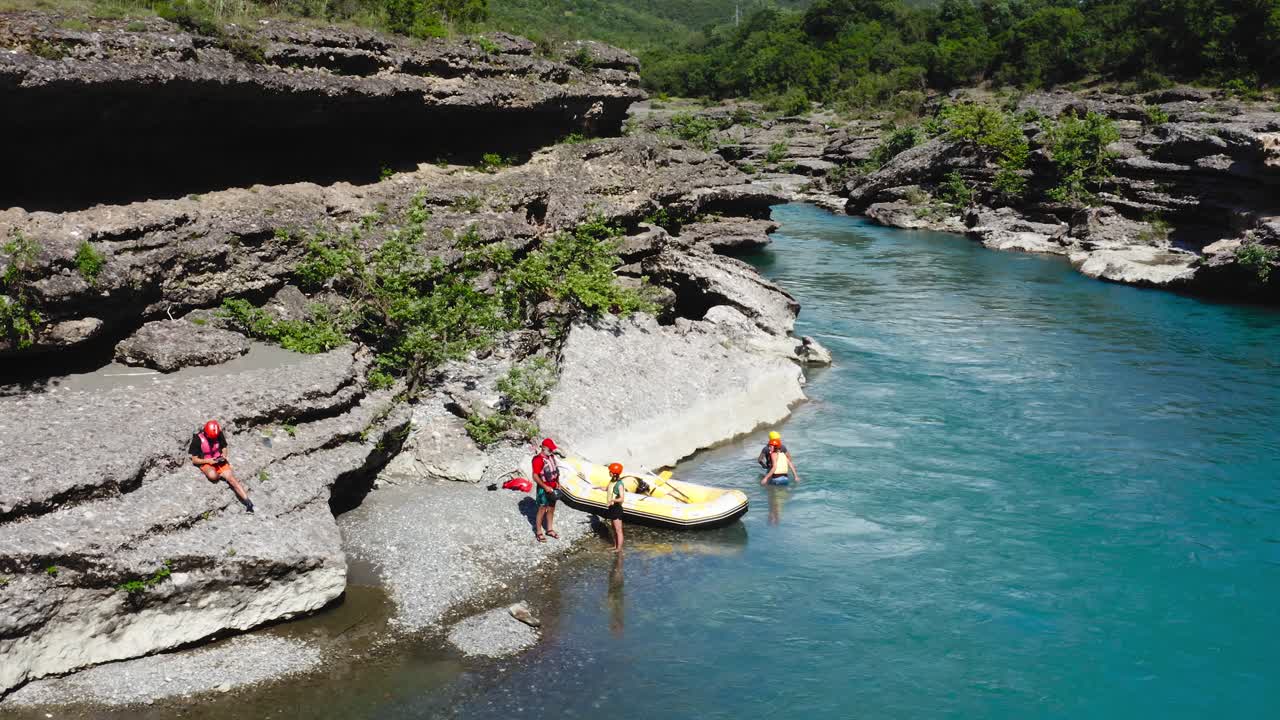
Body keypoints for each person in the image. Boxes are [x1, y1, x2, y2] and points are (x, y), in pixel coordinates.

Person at [190, 420, 254, 513]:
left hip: (219, 460)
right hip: (207, 462)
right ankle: (219, 474)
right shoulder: (197, 439)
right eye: (210, 437)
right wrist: (208, 461)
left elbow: (224, 447)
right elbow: (194, 459)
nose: (213, 439)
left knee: (232, 479)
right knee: (213, 476)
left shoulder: (218, 434)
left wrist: (224, 455)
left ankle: (248, 503)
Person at [531, 438, 561, 542]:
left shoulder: (551, 457)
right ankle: (539, 532)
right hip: (543, 489)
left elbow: (556, 472)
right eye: (550, 449)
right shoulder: (538, 459)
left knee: (552, 508)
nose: (552, 451)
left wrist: (558, 483)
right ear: (543, 448)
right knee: (542, 509)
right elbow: (535, 476)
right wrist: (545, 487)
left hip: (553, 487)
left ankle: (549, 529)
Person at [605, 462, 626, 553]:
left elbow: (621, 499)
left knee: (618, 530)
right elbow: (607, 489)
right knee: (614, 528)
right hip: (612, 508)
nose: (609, 472)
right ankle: (615, 546)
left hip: (617, 508)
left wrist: (613, 500)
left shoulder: (619, 484)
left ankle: (619, 549)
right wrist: (597, 487)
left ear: (614, 473)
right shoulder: (612, 481)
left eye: (610, 471)